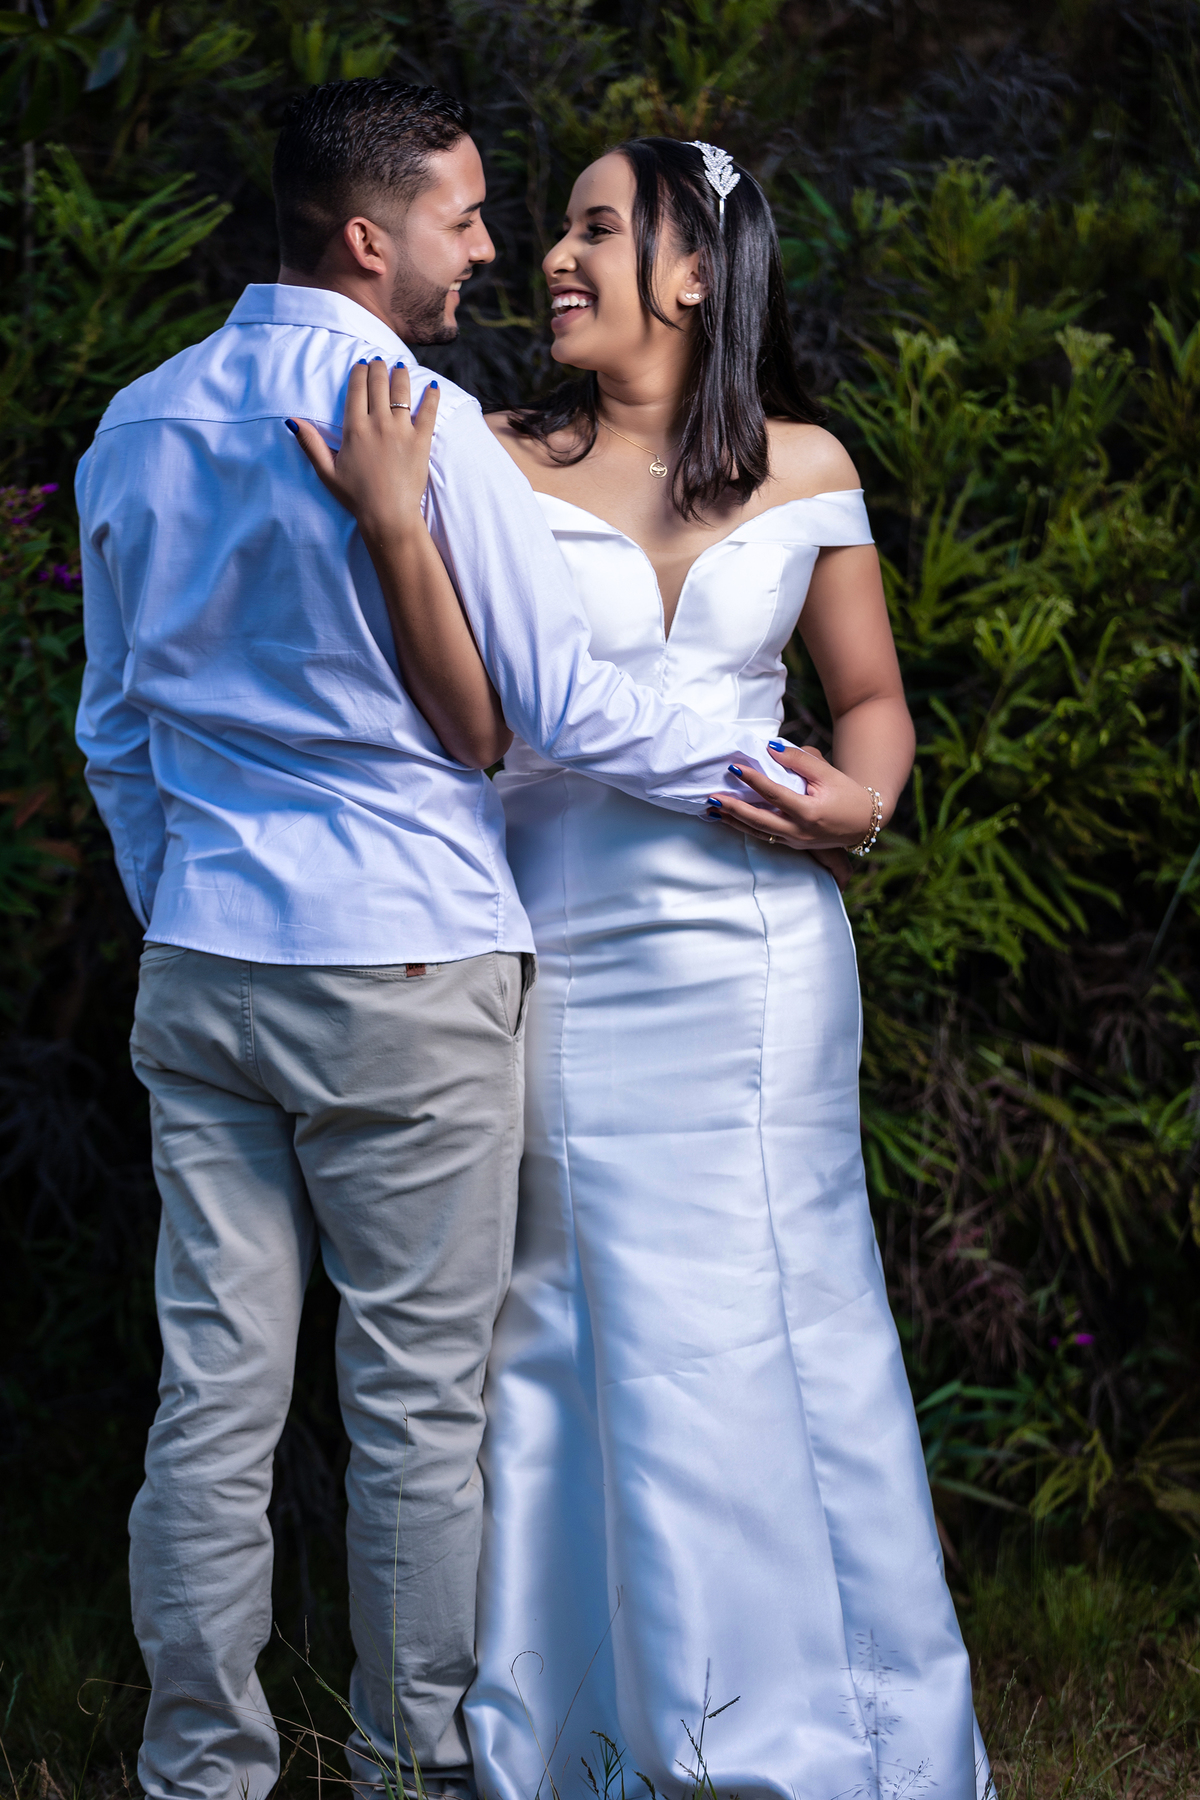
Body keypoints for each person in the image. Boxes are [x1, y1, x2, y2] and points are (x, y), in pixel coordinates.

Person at [74, 83, 816, 1800]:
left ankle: (200, 1774)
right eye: (463, 217)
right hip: (405, 963)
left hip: (207, 965)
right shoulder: (422, 421)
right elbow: (562, 706)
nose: (488, 248)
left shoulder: (138, 422)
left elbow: (114, 729)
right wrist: (782, 780)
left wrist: (184, 903)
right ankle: (407, 1773)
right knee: (415, 1411)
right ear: (369, 236)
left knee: (211, 1401)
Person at [294, 139, 991, 1799]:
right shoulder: (486, 456)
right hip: (566, 952)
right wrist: (394, 528)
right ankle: (599, 1734)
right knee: (572, 1326)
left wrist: (865, 801)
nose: (554, 255)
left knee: (788, 1316)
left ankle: (843, 1727)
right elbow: (473, 721)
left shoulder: (807, 466)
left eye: (597, 228)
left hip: (766, 962)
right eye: (555, 227)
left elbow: (872, 701)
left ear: (694, 273)